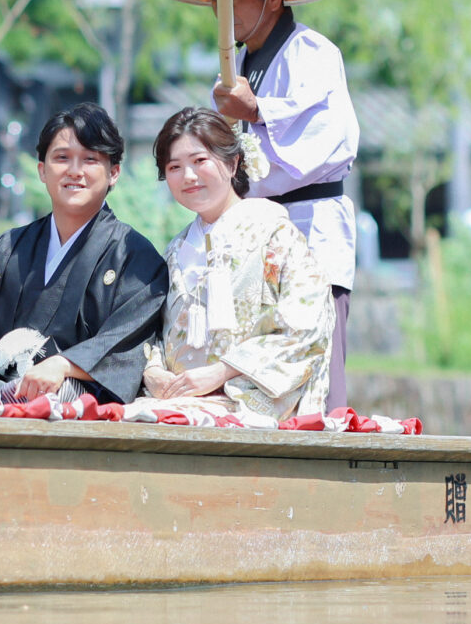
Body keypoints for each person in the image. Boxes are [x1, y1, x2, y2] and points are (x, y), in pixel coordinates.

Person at [166, 0, 359, 410]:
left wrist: (255, 112)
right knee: (244, 370)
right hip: (248, 239)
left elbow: (325, 141)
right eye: (216, 0)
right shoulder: (237, 66)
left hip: (308, 228)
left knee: (311, 365)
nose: (220, 13)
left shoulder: (312, 54)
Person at [0, 104, 167, 405]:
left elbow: (125, 339)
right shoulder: (6, 250)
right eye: (62, 158)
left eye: (90, 159)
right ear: (42, 170)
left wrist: (64, 365)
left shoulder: (135, 257)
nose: (75, 171)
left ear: (113, 173)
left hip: (80, 406)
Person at [137, 108, 334, 427]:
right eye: (174, 167)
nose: (188, 176)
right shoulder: (176, 250)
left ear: (232, 163)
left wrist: (222, 371)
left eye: (200, 161)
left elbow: (308, 324)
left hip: (245, 396)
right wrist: (154, 371)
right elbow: (154, 332)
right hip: (180, 399)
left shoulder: (274, 234)